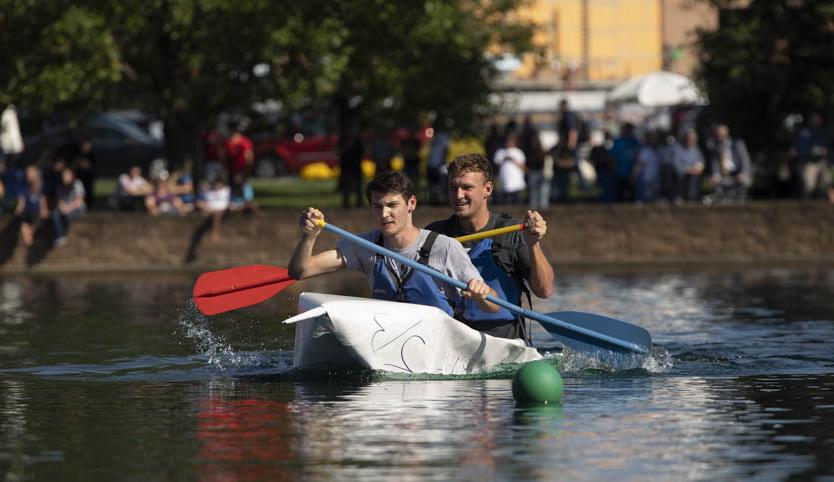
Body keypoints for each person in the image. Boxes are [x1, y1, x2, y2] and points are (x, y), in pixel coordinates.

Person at [289, 171, 499, 318]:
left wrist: (482, 295)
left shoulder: (445, 247)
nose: (384, 214)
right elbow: (301, 271)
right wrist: (310, 235)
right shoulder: (365, 245)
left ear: (411, 204)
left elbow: (493, 306)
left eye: (392, 205)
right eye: (377, 206)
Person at [426, 153, 554, 342]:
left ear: (487, 189)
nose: (458, 195)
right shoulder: (435, 235)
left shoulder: (512, 232)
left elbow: (544, 291)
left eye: (467, 188)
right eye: (453, 188)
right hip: (453, 341)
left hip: (504, 343)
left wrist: (533, 243)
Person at [707, 124, 752, 203]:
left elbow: (745, 160)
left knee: (744, 181)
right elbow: (715, 164)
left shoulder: (738, 143)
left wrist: (743, 173)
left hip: (738, 173)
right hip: (724, 175)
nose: (718, 137)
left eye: (720, 135)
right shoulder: (715, 147)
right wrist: (715, 175)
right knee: (718, 186)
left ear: (726, 135)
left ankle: (740, 201)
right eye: (717, 135)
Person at [51, 167, 86, 247]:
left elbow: (79, 200)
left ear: (72, 176)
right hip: (65, 208)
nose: (66, 177)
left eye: (68, 175)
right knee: (55, 214)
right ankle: (61, 236)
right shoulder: (60, 186)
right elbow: (60, 201)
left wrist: (69, 208)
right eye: (64, 175)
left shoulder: (77, 183)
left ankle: (70, 234)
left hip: (77, 208)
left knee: (70, 216)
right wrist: (63, 208)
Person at [15, 165, 48, 247]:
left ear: (36, 173)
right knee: (23, 220)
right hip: (26, 209)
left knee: (38, 220)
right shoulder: (23, 183)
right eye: (28, 172)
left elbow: (42, 198)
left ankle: (30, 234)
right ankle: (27, 238)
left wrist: (44, 209)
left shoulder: (41, 184)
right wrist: (19, 207)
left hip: (36, 209)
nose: (29, 174)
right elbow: (21, 199)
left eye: (31, 172)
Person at [492, 132, 526, 205]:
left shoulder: (518, 152)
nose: (508, 143)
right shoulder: (500, 152)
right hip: (504, 181)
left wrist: (513, 160)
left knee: (517, 202)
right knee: (506, 203)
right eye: (507, 141)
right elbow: (496, 165)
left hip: (516, 182)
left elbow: (523, 166)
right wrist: (504, 159)